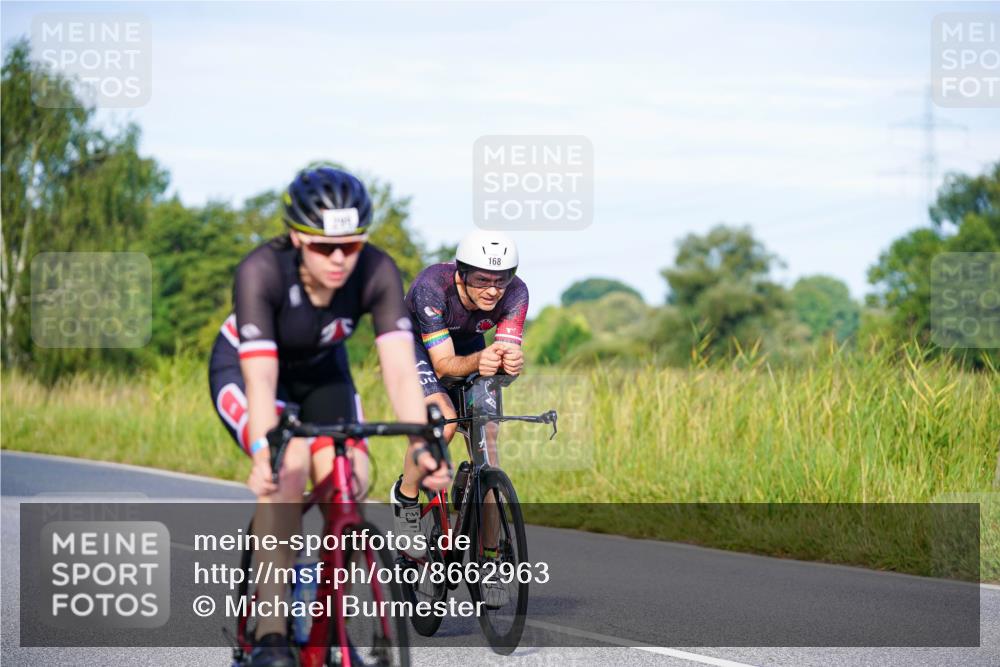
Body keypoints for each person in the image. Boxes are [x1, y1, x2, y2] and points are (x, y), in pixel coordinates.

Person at [208, 166, 450, 667]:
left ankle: (331, 631)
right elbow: (260, 380)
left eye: (352, 244)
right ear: (297, 237)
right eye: (323, 247)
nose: (339, 259)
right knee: (289, 469)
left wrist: (422, 445)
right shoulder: (261, 271)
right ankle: (272, 632)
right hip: (251, 369)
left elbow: (403, 373)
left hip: (323, 374)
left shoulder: (377, 271)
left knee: (352, 479)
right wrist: (262, 450)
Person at [390, 229, 528, 583]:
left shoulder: (517, 293)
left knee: (489, 442)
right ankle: (406, 500)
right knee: (445, 423)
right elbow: (442, 367)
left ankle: (491, 560)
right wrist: (483, 358)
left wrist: (508, 367)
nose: (493, 290)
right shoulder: (431, 287)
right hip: (419, 349)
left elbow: (501, 363)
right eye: (482, 280)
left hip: (469, 346)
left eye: (501, 280)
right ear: (461, 274)